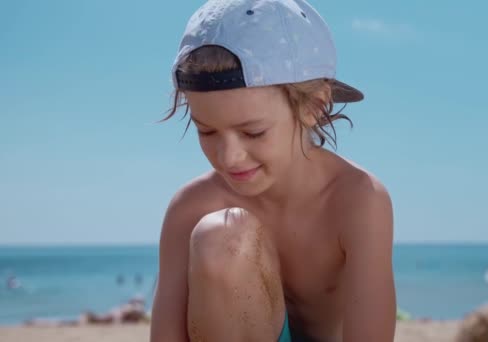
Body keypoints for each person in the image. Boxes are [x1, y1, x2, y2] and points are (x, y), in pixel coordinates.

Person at [150, 0, 396, 341]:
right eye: (206, 131)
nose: (229, 157)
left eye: (253, 132)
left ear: (315, 106)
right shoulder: (191, 207)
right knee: (222, 235)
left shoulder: (357, 200)